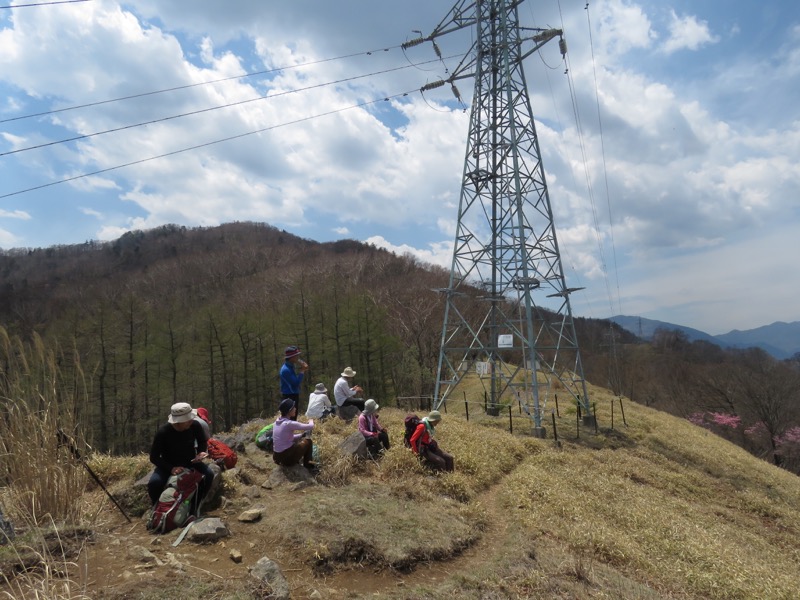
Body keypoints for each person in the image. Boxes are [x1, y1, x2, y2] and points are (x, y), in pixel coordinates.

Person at [147, 402, 215, 512]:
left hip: (191, 462)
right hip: (168, 464)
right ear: (178, 422)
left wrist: (201, 452)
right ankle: (158, 508)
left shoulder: (194, 425)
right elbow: (154, 457)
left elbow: (202, 441)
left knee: (209, 474)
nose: (191, 421)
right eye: (188, 419)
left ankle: (195, 506)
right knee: (154, 483)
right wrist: (171, 468)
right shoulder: (163, 432)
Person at [272, 398, 316, 470]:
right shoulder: (289, 423)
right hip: (286, 460)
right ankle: (308, 466)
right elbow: (311, 426)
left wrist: (301, 435)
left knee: (296, 442)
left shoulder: (276, 422)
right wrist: (311, 420)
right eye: (293, 408)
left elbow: (287, 439)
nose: (295, 409)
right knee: (308, 442)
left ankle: (298, 460)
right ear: (289, 411)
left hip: (276, 458)